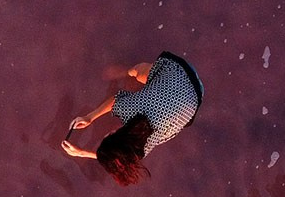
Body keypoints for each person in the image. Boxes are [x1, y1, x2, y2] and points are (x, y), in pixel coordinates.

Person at [60, 51, 202, 184]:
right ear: (116, 134)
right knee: (138, 72)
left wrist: (82, 153)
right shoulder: (132, 109)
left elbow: (124, 157)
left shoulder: (143, 146)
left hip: (195, 98)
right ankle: (127, 71)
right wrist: (89, 117)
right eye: (109, 135)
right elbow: (115, 101)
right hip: (179, 69)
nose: (108, 132)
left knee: (178, 121)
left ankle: (148, 82)